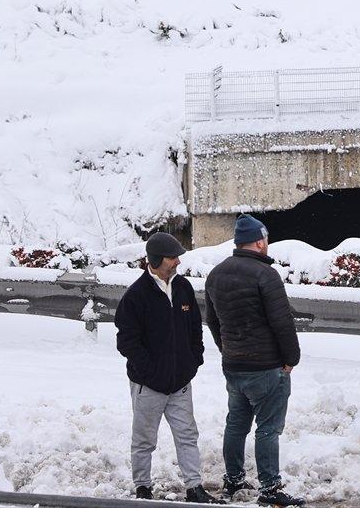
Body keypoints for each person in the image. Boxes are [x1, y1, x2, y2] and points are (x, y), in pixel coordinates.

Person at [114, 233, 221, 503]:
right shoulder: (135, 296)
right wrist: (149, 372)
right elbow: (126, 341)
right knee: (144, 440)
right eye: (173, 257)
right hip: (147, 385)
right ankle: (143, 487)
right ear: (157, 260)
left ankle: (194, 487)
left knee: (188, 435)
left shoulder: (183, 287)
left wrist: (194, 359)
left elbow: (195, 326)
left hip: (180, 383)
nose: (178, 261)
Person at [204, 215, 303, 508]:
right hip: (266, 367)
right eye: (266, 239)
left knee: (236, 424)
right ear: (260, 241)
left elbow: (212, 321)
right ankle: (270, 489)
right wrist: (290, 358)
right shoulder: (265, 274)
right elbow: (282, 321)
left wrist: (228, 350)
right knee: (268, 428)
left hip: (234, 365)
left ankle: (233, 479)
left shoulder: (216, 274)